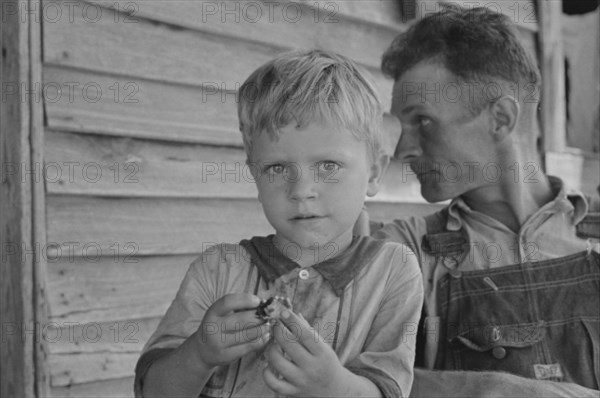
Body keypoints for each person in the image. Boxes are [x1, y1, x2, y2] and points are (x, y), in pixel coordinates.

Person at [134, 49, 423, 398]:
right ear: (255, 175)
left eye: (328, 166)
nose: (301, 190)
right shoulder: (218, 271)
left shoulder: (393, 272)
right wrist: (198, 355)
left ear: (374, 173)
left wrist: (334, 387)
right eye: (277, 168)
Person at [370, 5, 600, 397]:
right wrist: (498, 390)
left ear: (500, 118)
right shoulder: (406, 250)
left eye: (422, 120)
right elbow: (342, 372)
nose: (403, 151)